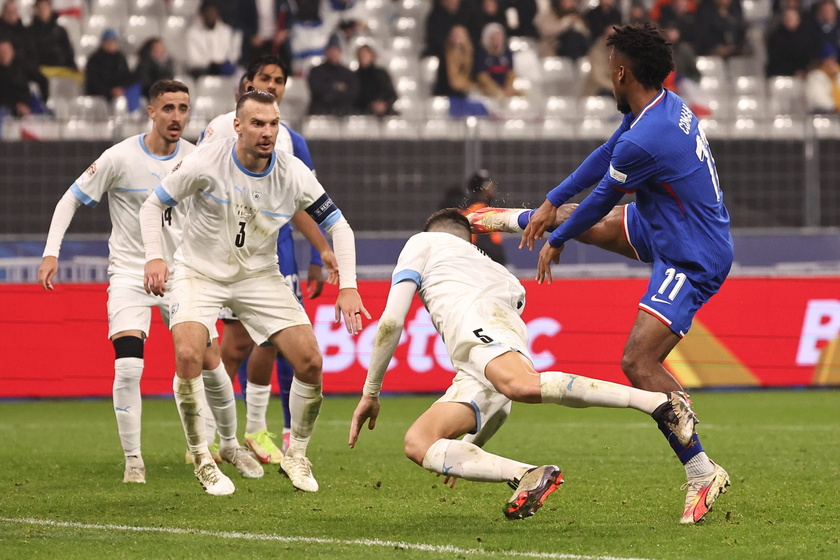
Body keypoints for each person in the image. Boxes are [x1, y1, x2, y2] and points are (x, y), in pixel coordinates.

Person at [467, 23, 732, 524]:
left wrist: (557, 240)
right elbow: (604, 158)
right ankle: (505, 219)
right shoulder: (661, 108)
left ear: (621, 72)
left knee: (637, 362)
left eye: (607, 70)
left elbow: (604, 196)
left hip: (691, 254)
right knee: (571, 218)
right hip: (667, 224)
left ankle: (700, 467)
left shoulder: (649, 136)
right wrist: (549, 206)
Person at [348, 209, 696, 520]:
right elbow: (499, 409)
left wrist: (370, 392)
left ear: (434, 232)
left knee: (521, 385)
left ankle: (660, 403)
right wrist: (465, 451)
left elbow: (391, 323)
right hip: (491, 339)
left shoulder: (422, 242)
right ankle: (526, 474)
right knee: (419, 441)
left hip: (476, 325)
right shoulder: (491, 269)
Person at [140, 89, 369, 496]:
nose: (267, 132)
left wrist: (348, 286)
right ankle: (204, 459)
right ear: (238, 126)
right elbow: (152, 206)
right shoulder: (206, 161)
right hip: (199, 273)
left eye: (273, 123)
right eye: (258, 123)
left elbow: (341, 226)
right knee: (191, 354)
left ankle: (296, 454)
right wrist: (155, 257)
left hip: (260, 277)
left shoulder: (292, 171)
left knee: (311, 361)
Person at [37, 80, 263, 485]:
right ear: (152, 112)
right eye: (169, 108)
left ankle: (229, 444)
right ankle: (134, 461)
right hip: (129, 273)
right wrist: (51, 251)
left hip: (185, 276)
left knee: (212, 365)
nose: (177, 116)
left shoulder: (199, 159)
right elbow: (70, 198)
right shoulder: (120, 157)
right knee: (128, 365)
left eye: (183, 108)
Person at [199, 54, 329, 463]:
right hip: (227, 252)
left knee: (273, 341)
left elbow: (305, 203)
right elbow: (198, 183)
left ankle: (258, 430)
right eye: (264, 78)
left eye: (278, 80)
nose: (272, 85)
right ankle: (209, 431)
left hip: (275, 252)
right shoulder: (221, 127)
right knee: (231, 346)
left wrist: (320, 252)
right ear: (247, 82)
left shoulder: (293, 140)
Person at [185, 0, 240, 78]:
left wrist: (220, 63)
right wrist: (210, 63)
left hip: (223, 69)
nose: (210, 15)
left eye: (212, 12)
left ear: (217, 14)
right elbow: (194, 59)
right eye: (207, 12)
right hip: (202, 71)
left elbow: (231, 54)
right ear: (202, 14)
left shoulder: (226, 31)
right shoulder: (193, 33)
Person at [307, 35, 358, 116]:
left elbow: (352, 94)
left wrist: (329, 89)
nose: (333, 53)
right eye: (330, 50)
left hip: (342, 113)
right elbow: (317, 90)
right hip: (321, 112)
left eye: (335, 50)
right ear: (326, 52)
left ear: (340, 52)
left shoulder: (348, 73)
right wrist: (337, 87)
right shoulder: (316, 71)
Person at [0, 39, 48, 116]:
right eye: (1, 52)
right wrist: (15, 106)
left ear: (12, 51)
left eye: (5, 51)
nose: (3, 55)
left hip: (26, 103)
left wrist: (44, 100)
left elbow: (42, 80)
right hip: (6, 106)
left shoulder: (23, 65)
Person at [84, 28, 132, 100]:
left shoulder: (121, 59)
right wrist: (110, 91)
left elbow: (126, 77)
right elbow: (93, 81)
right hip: (100, 96)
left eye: (114, 42)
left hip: (119, 95)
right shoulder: (94, 60)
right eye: (109, 43)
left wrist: (122, 89)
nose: (112, 45)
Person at [28, 0, 76, 71]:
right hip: (38, 72)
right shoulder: (30, 32)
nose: (42, 11)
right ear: (36, 10)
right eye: (40, 8)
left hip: (60, 70)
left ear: (50, 8)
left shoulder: (60, 31)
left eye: (45, 7)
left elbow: (69, 52)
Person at [474, 23, 517, 101]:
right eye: (494, 37)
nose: (497, 39)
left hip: (505, 88)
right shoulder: (482, 54)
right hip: (488, 89)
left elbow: (511, 72)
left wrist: (508, 87)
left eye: (499, 36)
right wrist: (497, 89)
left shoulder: (507, 53)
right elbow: (482, 76)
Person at [353, 44, 397, 116]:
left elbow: (391, 94)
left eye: (365, 55)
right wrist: (370, 104)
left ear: (372, 56)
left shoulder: (382, 74)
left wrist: (383, 104)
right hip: (362, 111)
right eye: (361, 55)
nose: (363, 57)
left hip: (385, 112)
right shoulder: (354, 76)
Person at [805, 43, 840, 113]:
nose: (831, 62)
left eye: (833, 58)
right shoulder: (815, 76)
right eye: (828, 59)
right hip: (821, 114)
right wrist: (834, 108)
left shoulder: (836, 74)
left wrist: (837, 75)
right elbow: (819, 98)